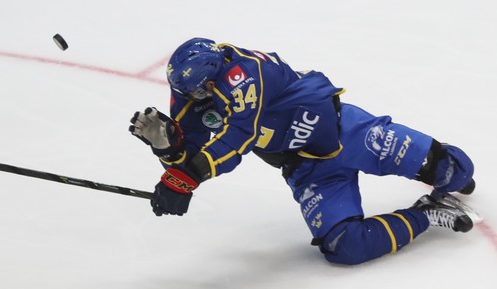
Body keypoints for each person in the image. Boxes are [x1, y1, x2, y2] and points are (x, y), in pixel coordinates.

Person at [128, 37, 476, 265]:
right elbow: (189, 154)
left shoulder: (246, 72)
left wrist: (185, 177)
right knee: (345, 246)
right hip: (309, 171)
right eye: (189, 94)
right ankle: (427, 214)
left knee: (456, 172)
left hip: (347, 132)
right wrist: (169, 148)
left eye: (200, 92)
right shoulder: (191, 94)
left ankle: (430, 164)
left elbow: (238, 136)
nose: (194, 101)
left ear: (211, 77)